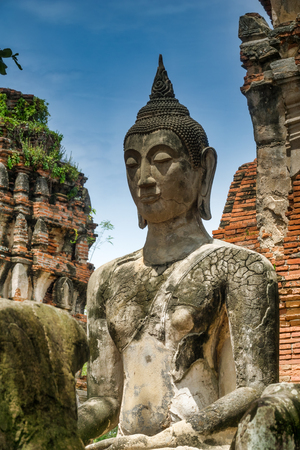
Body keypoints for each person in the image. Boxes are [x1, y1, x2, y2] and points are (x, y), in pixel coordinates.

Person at [78, 55, 278, 450]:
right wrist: (63, 424)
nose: (144, 180)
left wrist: (168, 439)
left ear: (203, 168)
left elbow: (256, 391)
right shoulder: (106, 278)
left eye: (162, 161)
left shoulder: (242, 268)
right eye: (132, 165)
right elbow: (103, 398)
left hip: (199, 443)